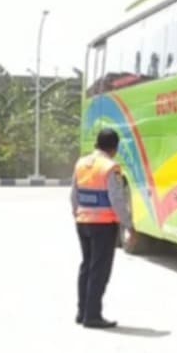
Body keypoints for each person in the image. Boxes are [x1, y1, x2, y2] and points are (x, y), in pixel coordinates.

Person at [70, 127, 132, 328]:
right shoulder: (111, 167)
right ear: (114, 148)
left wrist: (77, 213)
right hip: (103, 225)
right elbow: (116, 198)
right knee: (99, 270)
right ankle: (93, 316)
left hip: (83, 221)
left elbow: (74, 194)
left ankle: (82, 311)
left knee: (86, 266)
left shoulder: (81, 163)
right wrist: (128, 223)